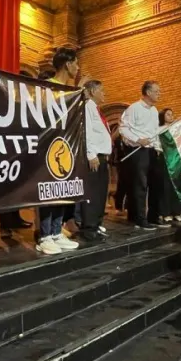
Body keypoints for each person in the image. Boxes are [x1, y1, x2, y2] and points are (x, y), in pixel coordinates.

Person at [36, 67, 81, 255]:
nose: (77, 68)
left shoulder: (68, 90)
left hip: (65, 145)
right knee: (48, 193)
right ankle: (44, 236)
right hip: (48, 146)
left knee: (62, 190)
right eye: (75, 63)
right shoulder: (48, 87)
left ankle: (56, 232)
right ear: (67, 64)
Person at [119, 81, 167, 231]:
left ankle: (154, 216)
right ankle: (139, 218)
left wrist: (158, 147)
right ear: (148, 92)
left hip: (152, 150)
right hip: (138, 150)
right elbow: (123, 128)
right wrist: (138, 139)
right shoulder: (134, 108)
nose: (159, 94)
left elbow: (154, 132)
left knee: (156, 183)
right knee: (140, 185)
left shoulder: (154, 110)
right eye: (156, 91)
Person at [81, 80, 112, 242]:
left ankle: (97, 224)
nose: (104, 93)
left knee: (100, 195)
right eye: (101, 90)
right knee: (93, 195)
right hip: (95, 157)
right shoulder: (87, 107)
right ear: (92, 91)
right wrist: (90, 154)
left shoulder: (96, 109)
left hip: (102, 157)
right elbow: (86, 131)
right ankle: (89, 228)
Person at [157, 107, 181, 225]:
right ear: (162, 116)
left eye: (172, 114)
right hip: (164, 158)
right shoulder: (159, 129)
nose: (171, 116)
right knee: (166, 186)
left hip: (176, 159)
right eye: (168, 114)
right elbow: (157, 145)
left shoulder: (176, 128)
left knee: (176, 185)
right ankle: (166, 212)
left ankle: (177, 211)